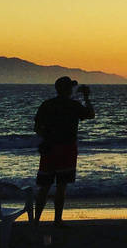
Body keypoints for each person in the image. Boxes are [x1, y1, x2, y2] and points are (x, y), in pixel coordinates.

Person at [33, 76, 95, 226]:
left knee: (45, 186)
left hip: (49, 148)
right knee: (61, 186)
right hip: (67, 149)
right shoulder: (73, 105)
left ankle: (36, 221)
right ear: (67, 89)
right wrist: (86, 97)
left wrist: (47, 137)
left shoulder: (47, 105)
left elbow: (37, 127)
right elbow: (90, 114)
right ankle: (57, 220)